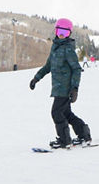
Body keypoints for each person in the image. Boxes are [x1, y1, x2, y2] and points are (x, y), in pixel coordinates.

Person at [29, 18, 91, 148]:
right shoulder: (55, 48)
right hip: (57, 88)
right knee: (66, 114)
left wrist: (75, 88)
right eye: (59, 31)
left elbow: (76, 69)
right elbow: (48, 66)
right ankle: (84, 135)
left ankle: (65, 140)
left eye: (65, 32)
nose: (62, 34)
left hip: (65, 88)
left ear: (69, 33)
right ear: (56, 31)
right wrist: (36, 78)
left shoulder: (68, 49)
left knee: (56, 113)